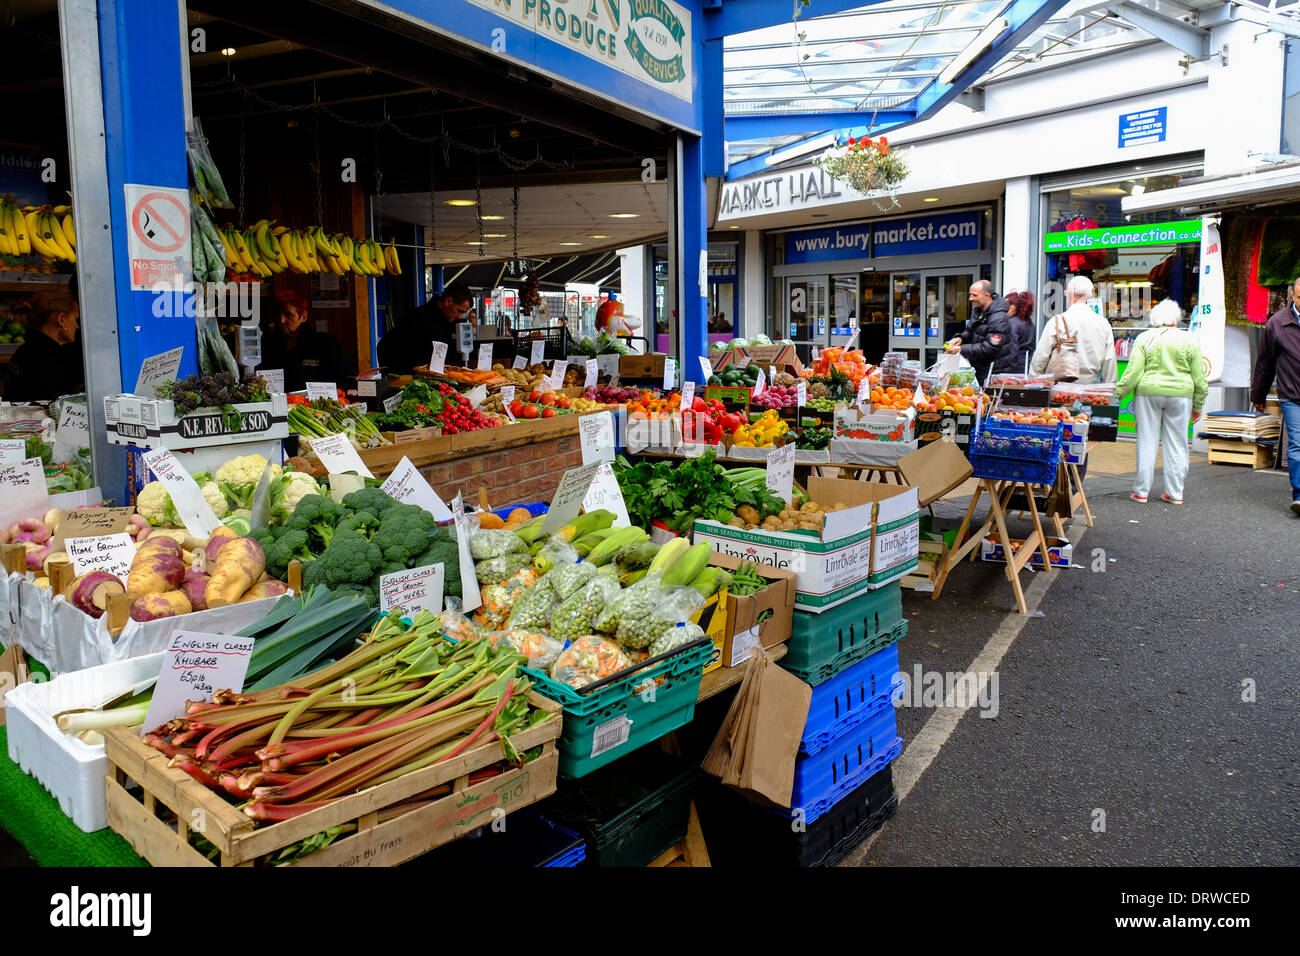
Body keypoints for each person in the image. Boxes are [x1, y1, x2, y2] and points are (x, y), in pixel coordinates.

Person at [1115, 299, 1207, 504]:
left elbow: (1133, 372)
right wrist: (1198, 404)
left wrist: (1117, 395)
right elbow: (1199, 377)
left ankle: (1141, 492)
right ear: (1177, 318)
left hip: (1148, 393)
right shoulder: (1190, 339)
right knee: (1177, 443)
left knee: (1147, 440)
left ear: (1155, 318)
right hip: (1181, 395)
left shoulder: (1144, 337)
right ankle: (1175, 493)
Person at [1250, 275, 1300, 515]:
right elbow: (1265, 363)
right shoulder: (1277, 323)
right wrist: (1258, 395)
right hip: (1292, 394)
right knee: (1298, 446)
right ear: (1292, 294)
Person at [259, 290, 356, 393]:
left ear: (303, 317)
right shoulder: (268, 344)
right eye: (278, 315)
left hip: (315, 405)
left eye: (288, 315)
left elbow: (348, 377)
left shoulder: (325, 344)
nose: (282, 320)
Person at [1029, 275, 1118, 383]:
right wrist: (1107, 391)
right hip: (1089, 391)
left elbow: (1040, 359)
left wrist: (1033, 383)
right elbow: (1109, 364)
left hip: (1059, 393)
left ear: (1070, 294)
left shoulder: (1057, 321)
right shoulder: (1104, 324)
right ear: (1089, 297)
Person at [4, 290, 84, 401]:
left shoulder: (24, 351)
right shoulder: (52, 360)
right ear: (61, 319)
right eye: (75, 319)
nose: (77, 326)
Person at [376, 283, 473, 374]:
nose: (461, 316)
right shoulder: (417, 317)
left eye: (464, 313)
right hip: (420, 383)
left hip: (450, 383)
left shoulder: (455, 322)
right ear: (448, 301)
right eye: (459, 311)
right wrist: (396, 376)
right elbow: (385, 347)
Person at [944, 280, 1015, 382]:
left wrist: (960, 349)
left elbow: (990, 348)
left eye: (974, 295)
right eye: (970, 295)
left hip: (993, 374)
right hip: (980, 370)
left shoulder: (998, 318)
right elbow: (969, 331)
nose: (970, 298)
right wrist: (960, 338)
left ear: (987, 295)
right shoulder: (978, 311)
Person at [1004, 290, 1037, 373]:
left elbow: (1012, 351)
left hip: (1014, 368)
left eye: (1007, 305)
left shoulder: (1011, 323)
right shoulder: (1029, 322)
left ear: (1015, 307)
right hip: (1027, 364)